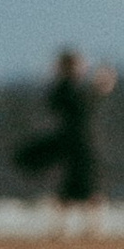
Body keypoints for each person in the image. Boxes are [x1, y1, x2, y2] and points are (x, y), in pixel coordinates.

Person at [14, 49, 112, 212]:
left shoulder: (67, 88)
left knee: (83, 184)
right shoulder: (64, 88)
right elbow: (80, 108)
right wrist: (98, 90)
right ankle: (77, 228)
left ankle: (84, 228)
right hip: (77, 141)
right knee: (84, 184)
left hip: (76, 140)